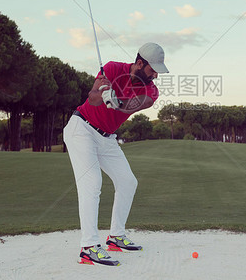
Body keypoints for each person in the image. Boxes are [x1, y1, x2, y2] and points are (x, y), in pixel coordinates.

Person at [63, 42, 169, 266]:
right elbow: (91, 99)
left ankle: (116, 237)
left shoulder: (151, 90)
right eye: (152, 70)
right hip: (81, 129)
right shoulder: (111, 69)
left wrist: (117, 101)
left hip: (107, 138)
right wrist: (102, 92)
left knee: (128, 182)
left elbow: (135, 105)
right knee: (92, 183)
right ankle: (89, 247)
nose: (156, 76)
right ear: (139, 63)